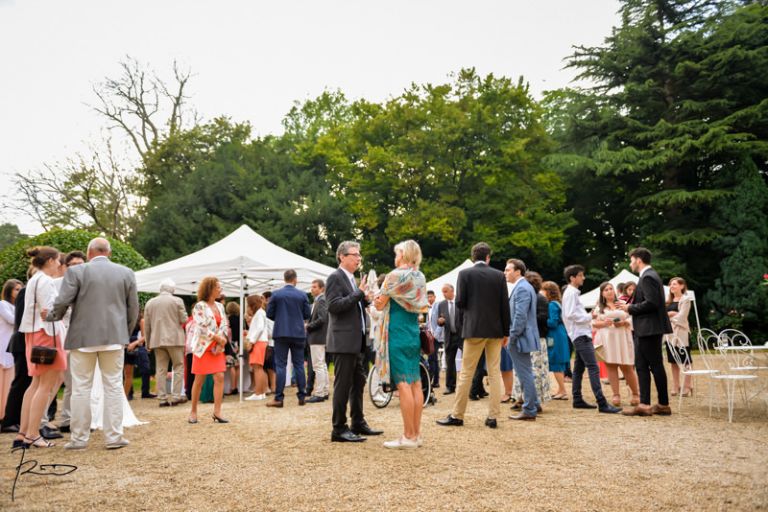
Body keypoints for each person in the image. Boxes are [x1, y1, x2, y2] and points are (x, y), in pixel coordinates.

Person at [47, 238, 138, 450]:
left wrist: (53, 316)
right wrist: (125, 332)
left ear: (89, 254)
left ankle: (79, 439)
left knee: (80, 388)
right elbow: (132, 308)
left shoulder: (76, 272)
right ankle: (114, 437)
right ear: (109, 253)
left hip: (82, 337)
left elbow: (62, 301)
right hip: (115, 338)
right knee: (114, 386)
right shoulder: (126, 273)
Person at [436, 242, 510, 429]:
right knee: (494, 373)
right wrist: (506, 331)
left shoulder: (465, 274)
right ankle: (493, 417)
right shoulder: (499, 275)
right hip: (495, 330)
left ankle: (457, 415)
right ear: (488, 257)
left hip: (474, 329)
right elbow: (504, 306)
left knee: (467, 372)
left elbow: (460, 302)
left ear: (473, 256)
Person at [373, 240, 429, 448]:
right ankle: (416, 434)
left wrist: (374, 296)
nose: (395, 257)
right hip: (412, 331)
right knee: (415, 381)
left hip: (396, 331)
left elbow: (380, 303)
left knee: (403, 384)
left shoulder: (394, 275)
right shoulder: (420, 276)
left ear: (403, 254)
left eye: (397, 253)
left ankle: (407, 435)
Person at [326, 241, 382, 443]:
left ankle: (357, 422)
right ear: (342, 256)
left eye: (360, 255)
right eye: (354, 254)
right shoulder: (335, 277)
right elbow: (333, 306)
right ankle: (338, 428)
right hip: (343, 340)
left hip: (356, 339)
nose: (359, 258)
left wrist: (364, 298)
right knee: (343, 385)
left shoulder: (351, 278)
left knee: (359, 382)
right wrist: (358, 293)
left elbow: (351, 303)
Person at [13, 247, 67, 449]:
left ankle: (23, 433)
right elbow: (50, 311)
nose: (60, 265)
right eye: (58, 261)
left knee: (35, 385)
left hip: (35, 334)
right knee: (44, 386)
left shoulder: (35, 279)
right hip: (47, 335)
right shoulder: (44, 281)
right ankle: (33, 434)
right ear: (51, 260)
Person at [619, 248, 673, 416]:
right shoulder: (649, 276)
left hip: (649, 329)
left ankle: (663, 404)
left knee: (655, 365)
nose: (630, 263)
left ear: (638, 260)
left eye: (631, 260)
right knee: (642, 366)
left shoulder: (648, 276)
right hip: (647, 328)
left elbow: (652, 303)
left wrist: (629, 307)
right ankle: (645, 404)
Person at [561, 265, 621, 414]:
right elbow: (569, 314)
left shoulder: (572, 293)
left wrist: (588, 316)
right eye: (581, 275)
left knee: (579, 369)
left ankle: (577, 399)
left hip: (580, 334)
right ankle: (602, 403)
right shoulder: (571, 293)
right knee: (593, 367)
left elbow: (573, 314)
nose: (583, 278)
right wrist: (589, 316)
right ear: (572, 278)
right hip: (580, 335)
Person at [265, 269, 311, 408]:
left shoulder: (276, 295)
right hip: (298, 333)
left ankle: (279, 398)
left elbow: (269, 314)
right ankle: (302, 395)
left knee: (280, 365)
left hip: (281, 332)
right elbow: (306, 314)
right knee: (299, 365)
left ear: (284, 279)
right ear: (295, 279)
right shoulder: (302, 295)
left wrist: (280, 318)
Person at [188, 277, 230, 424]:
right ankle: (193, 412)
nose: (220, 289)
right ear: (210, 288)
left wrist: (221, 342)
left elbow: (224, 324)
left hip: (217, 348)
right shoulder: (199, 306)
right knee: (199, 380)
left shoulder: (220, 306)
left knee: (219, 377)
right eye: (218, 287)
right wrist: (219, 339)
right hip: (202, 347)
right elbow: (201, 328)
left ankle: (217, 412)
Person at [503, 259, 540, 421]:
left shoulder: (522, 288)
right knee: (526, 372)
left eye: (508, 270)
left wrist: (511, 336)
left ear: (518, 271)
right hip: (522, 336)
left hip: (519, 337)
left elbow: (520, 315)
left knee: (524, 373)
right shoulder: (524, 287)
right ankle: (534, 403)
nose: (505, 273)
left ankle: (530, 409)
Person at [592, 282, 640, 407]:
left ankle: (635, 393)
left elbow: (633, 318)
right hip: (608, 339)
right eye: (606, 290)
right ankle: (616, 394)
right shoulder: (599, 308)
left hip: (623, 338)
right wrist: (604, 323)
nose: (609, 291)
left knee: (627, 367)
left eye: (611, 289)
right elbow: (593, 324)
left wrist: (624, 322)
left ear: (614, 291)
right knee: (611, 366)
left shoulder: (622, 304)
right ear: (602, 293)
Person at [144, 278, 188, 407]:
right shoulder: (177, 301)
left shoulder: (150, 303)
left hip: (157, 340)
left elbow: (147, 325)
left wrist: (148, 342)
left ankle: (162, 398)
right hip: (175, 339)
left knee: (161, 369)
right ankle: (175, 396)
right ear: (172, 289)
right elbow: (184, 319)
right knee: (178, 367)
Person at [512, 271, 550, 407]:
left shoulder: (540, 299)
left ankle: (535, 401)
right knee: (523, 371)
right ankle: (521, 398)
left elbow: (543, 318)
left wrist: (526, 319)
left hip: (536, 339)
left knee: (535, 372)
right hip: (528, 338)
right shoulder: (531, 296)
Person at [542, 281, 570, 400]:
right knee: (558, 362)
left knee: (556, 362)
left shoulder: (552, 305)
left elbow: (552, 322)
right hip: (559, 334)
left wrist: (541, 320)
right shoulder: (557, 303)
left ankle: (563, 390)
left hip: (554, 335)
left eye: (543, 290)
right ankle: (560, 389)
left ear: (548, 292)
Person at [666, 277, 693, 396]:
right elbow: (662, 317)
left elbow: (682, 317)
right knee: (673, 361)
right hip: (669, 335)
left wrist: (670, 316)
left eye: (675, 284)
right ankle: (676, 385)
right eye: (671, 284)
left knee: (686, 361)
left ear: (682, 286)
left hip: (682, 334)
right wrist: (671, 314)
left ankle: (687, 386)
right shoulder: (667, 302)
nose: (672, 286)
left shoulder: (686, 299)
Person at [0, 279, 22, 429]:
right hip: (1, 346)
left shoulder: (17, 307)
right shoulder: (3, 305)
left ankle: (5, 415)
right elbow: (12, 320)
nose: (19, 292)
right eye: (16, 289)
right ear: (9, 291)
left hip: (11, 348)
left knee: (8, 384)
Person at [306, 279, 329, 403]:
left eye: (315, 287)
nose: (312, 289)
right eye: (312, 286)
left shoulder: (321, 300)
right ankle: (324, 391)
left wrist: (308, 326)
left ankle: (320, 393)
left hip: (318, 336)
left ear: (322, 288)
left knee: (318, 365)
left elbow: (322, 319)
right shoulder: (319, 300)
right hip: (319, 336)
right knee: (322, 365)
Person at [437, 284, 462, 396]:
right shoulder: (441, 305)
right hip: (449, 336)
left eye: (446, 291)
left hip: (462, 335)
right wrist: (440, 321)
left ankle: (473, 386)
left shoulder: (460, 302)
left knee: (469, 361)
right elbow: (439, 321)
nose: (444, 294)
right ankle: (450, 386)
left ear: (452, 291)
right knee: (449, 362)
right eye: (443, 292)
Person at [245, 294, 269, 401]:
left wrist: (252, 341)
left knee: (257, 368)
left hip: (258, 342)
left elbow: (259, 328)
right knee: (259, 368)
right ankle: (261, 392)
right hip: (261, 341)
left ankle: (258, 393)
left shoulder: (259, 313)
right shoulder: (261, 312)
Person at [424, 290, 441, 390]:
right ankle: (435, 381)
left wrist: (436, 334)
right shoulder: (425, 308)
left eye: (431, 296)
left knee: (432, 358)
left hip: (435, 336)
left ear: (434, 297)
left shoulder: (438, 306)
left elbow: (441, 321)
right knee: (433, 359)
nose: (430, 298)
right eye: (428, 297)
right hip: (428, 336)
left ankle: (432, 380)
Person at [225, 301, 242, 396]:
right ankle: (236, 386)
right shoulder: (240, 319)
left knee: (231, 366)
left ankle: (233, 387)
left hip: (232, 344)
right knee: (237, 366)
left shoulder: (228, 319)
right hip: (239, 343)